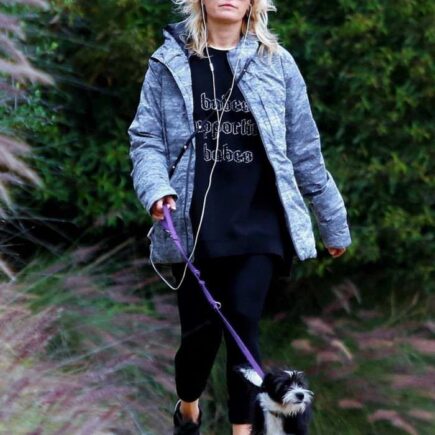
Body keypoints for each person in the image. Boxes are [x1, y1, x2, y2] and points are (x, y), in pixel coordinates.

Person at [127, 1, 352, 434]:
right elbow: (146, 138)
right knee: (199, 338)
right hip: (195, 223)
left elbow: (305, 149)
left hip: (260, 221)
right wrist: (157, 190)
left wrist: (332, 222)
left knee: (244, 322)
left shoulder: (278, 63)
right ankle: (187, 408)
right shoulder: (169, 61)